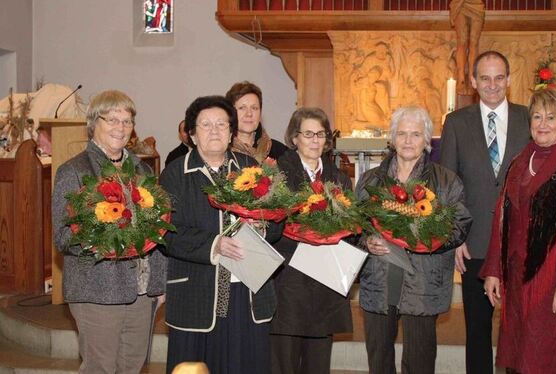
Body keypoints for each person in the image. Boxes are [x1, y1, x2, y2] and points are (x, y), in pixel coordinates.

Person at [159, 96, 282, 374]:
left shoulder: (252, 169)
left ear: (231, 132)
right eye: (205, 124)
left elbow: (278, 219)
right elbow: (167, 232)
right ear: (191, 133)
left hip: (247, 292)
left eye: (221, 124)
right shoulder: (175, 174)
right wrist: (215, 244)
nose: (214, 131)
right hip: (197, 293)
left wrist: (263, 227)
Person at [481, 89, 556, 373]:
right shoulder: (520, 161)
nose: (542, 124)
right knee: (517, 351)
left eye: (551, 117)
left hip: (551, 278)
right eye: (537, 116)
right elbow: (502, 219)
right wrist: (494, 270)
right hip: (517, 275)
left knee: (545, 356)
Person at [52, 90, 166, 374]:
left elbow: (159, 228)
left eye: (127, 121)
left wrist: (160, 283)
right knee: (100, 368)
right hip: (97, 288)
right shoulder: (74, 171)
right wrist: (104, 238)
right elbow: (63, 236)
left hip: (141, 290)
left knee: (132, 366)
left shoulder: (142, 170)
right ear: (94, 122)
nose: (121, 127)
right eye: (112, 119)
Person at [356, 106, 472, 374]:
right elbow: (355, 226)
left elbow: (459, 225)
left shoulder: (446, 181)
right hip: (380, 279)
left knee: (419, 362)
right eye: (402, 133)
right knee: (379, 362)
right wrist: (366, 241)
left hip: (423, 281)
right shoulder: (370, 180)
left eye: (416, 134)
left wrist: (429, 238)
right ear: (393, 138)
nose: (408, 141)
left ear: (427, 140)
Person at [439, 50, 531, 374]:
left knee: (517, 329)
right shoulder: (456, 122)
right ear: (475, 82)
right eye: (486, 78)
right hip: (473, 242)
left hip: (520, 243)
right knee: (477, 330)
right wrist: (454, 237)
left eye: (499, 77)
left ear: (508, 79)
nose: (493, 85)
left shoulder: (529, 118)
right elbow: (446, 183)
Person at [270, 107, 352, 374]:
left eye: (320, 134)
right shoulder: (278, 174)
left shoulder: (339, 178)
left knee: (318, 365)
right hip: (288, 284)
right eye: (308, 134)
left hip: (323, 285)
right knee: (284, 364)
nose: (315, 140)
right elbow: (271, 228)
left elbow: (350, 228)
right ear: (294, 138)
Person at [225, 81, 287, 163]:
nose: (249, 114)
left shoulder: (280, 152)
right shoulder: (221, 153)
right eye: (242, 108)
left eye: (254, 108)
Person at [449, 0, 484, 95]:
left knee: (474, 42)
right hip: (459, 3)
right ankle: (461, 79)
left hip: (477, 4)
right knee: (462, 41)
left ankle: (472, 78)